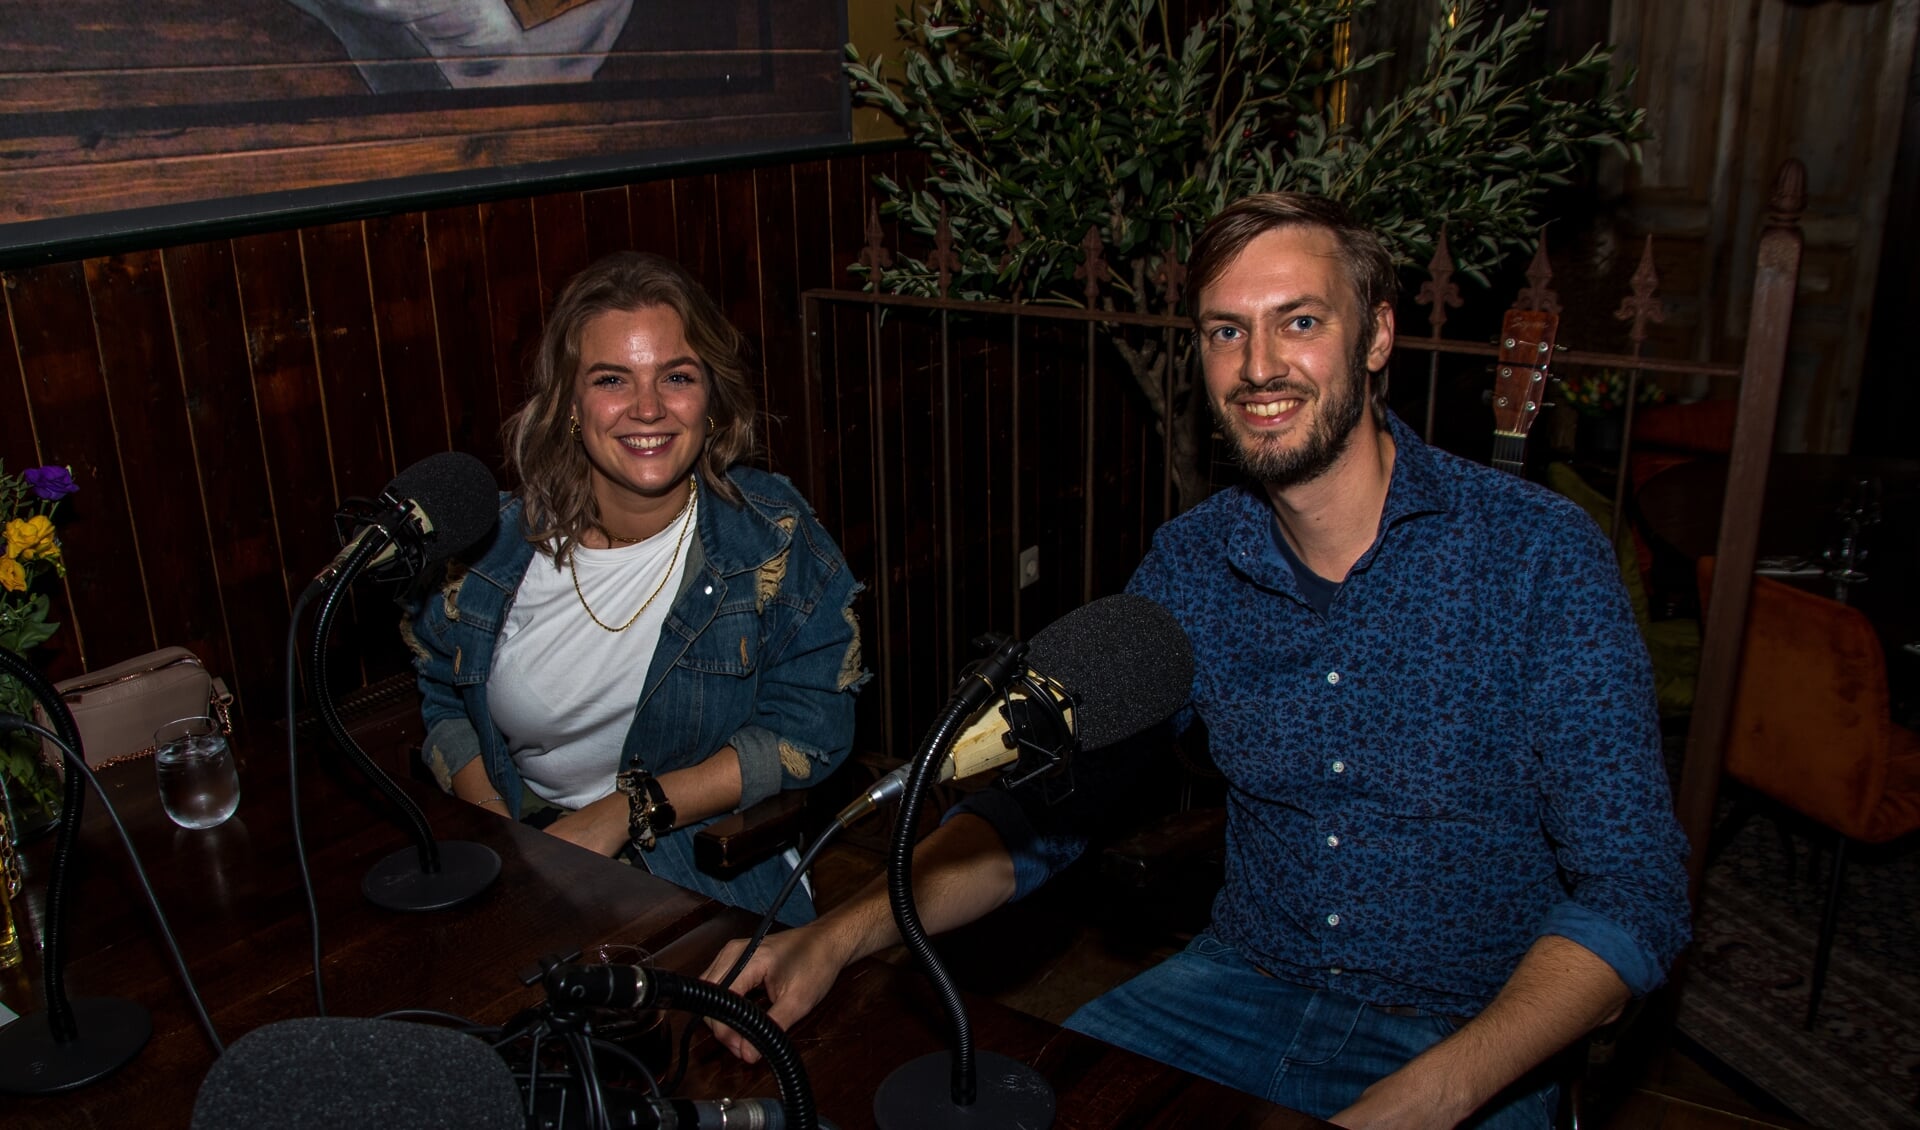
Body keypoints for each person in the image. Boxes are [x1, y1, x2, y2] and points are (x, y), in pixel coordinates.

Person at [700, 194, 1692, 1127]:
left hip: (1469, 1033)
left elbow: (1633, 894)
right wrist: (836, 933)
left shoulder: (1537, 554)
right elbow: (1049, 811)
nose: (1258, 365)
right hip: (1239, 989)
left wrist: (1425, 1098)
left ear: (1378, 335)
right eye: (1227, 330)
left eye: (1298, 321)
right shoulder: (1192, 562)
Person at [402, 251, 867, 925]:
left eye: (675, 376)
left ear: (711, 397)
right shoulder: (491, 551)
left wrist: (625, 813)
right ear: (568, 404)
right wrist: (505, 837)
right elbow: (443, 695)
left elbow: (816, 727)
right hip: (521, 849)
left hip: (696, 867)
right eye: (612, 380)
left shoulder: (770, 541)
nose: (647, 408)